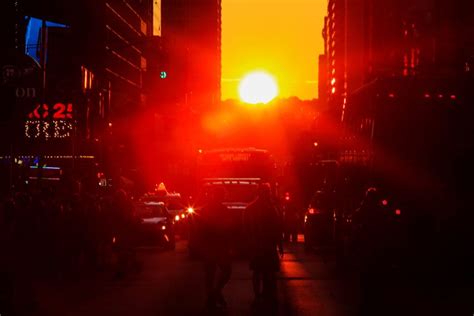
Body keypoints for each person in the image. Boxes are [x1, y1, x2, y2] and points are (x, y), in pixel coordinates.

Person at [244, 183, 283, 305]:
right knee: (268, 271)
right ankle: (268, 294)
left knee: (257, 271)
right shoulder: (271, 208)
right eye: (268, 192)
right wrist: (279, 245)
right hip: (267, 245)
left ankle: (259, 295)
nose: (269, 194)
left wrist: (248, 243)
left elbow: (245, 228)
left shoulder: (250, 208)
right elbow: (277, 228)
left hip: (257, 245)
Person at [195, 186, 233, 309]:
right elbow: (228, 228)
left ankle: (212, 296)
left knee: (210, 274)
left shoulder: (206, 209)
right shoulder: (223, 209)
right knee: (225, 271)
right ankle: (215, 294)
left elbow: (199, 228)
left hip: (210, 245)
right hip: (218, 245)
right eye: (223, 194)